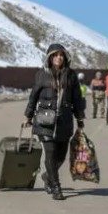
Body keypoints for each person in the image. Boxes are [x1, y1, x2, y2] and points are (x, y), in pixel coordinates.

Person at [24, 44, 85, 201]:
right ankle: (56, 187)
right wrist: (28, 116)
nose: (59, 57)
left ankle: (47, 176)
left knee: (61, 156)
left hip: (64, 120)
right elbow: (33, 96)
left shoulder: (71, 75)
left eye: (61, 55)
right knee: (50, 154)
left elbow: (77, 98)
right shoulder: (41, 75)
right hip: (45, 120)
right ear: (50, 57)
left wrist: (79, 117)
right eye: (55, 55)